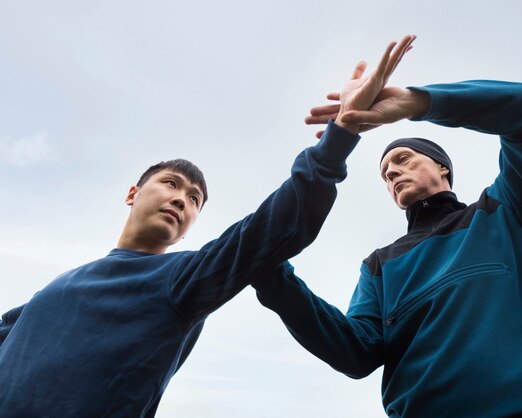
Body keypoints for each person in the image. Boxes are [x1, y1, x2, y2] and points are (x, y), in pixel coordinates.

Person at [0, 35, 416, 417]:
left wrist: (340, 134)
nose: (182, 198)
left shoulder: (181, 279)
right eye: (171, 184)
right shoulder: (50, 292)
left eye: (195, 199)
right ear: (132, 193)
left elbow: (276, 226)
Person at [253, 77, 522, 416]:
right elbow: (355, 352)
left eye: (402, 160)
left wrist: (417, 103)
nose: (392, 173)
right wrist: (271, 276)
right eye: (385, 174)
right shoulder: (380, 265)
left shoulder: (504, 211)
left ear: (443, 168)